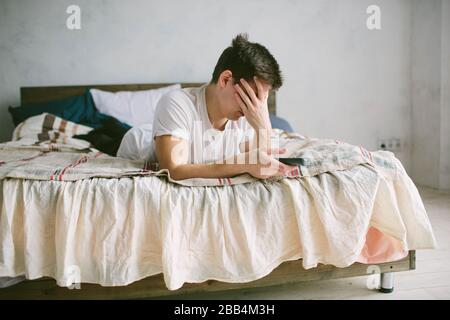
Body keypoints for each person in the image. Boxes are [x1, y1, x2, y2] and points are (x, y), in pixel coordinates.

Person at [117, 33, 296, 180]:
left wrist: (263, 123)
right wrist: (244, 163)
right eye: (253, 95)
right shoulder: (176, 103)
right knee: (109, 133)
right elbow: (174, 170)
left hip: (169, 132)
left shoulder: (249, 114)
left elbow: (265, 167)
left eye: (262, 100)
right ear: (225, 79)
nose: (257, 105)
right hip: (137, 142)